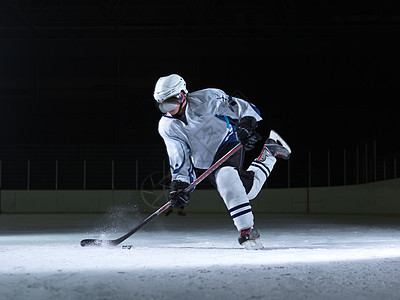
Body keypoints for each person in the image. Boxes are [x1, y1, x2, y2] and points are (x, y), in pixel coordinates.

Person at [153, 74, 291, 249]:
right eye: (162, 104)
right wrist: (180, 184)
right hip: (206, 162)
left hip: (227, 142)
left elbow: (241, 107)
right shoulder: (167, 127)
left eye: (171, 101)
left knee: (226, 177)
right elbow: (178, 156)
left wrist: (247, 123)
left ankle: (247, 232)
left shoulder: (208, 98)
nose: (168, 108)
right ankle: (270, 153)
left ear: (182, 94)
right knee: (245, 192)